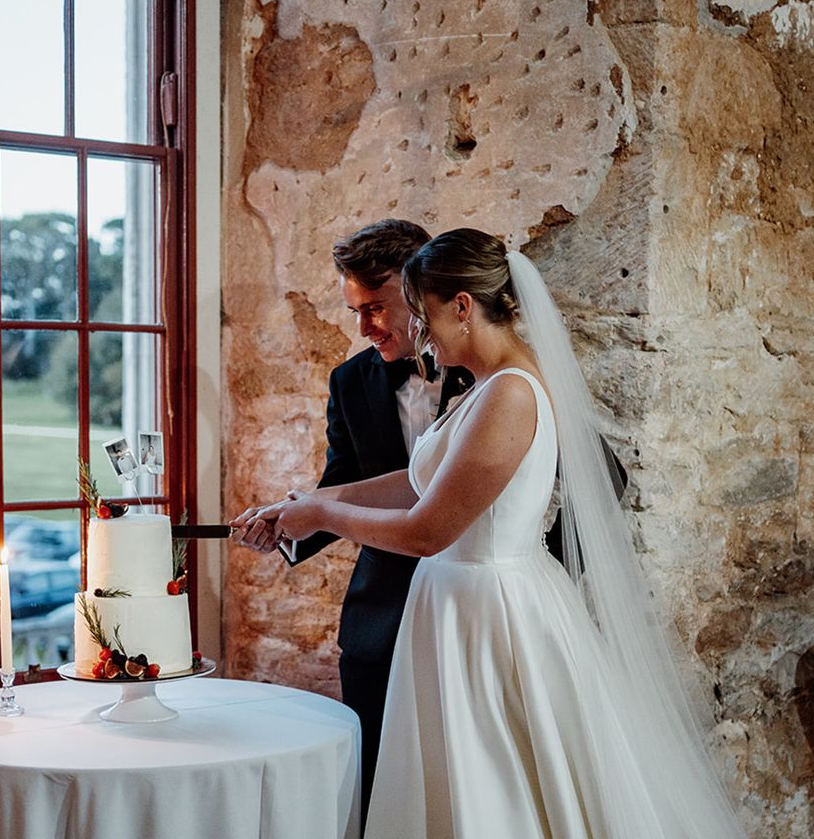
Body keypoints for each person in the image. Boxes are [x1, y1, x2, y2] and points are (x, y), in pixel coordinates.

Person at [242, 229, 746, 838]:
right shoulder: (485, 384)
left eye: (420, 314)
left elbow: (428, 528)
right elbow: (417, 482)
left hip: (488, 615)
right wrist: (306, 502)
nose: (419, 334)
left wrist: (325, 516)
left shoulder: (509, 392)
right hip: (446, 610)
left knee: (498, 789)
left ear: (460, 306)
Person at [232, 219, 474, 821]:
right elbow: (342, 484)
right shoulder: (351, 381)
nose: (364, 329)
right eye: (354, 311)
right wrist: (291, 524)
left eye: (376, 308)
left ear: (422, 289)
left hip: (477, 609)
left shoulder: (490, 372)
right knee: (377, 792)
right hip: (383, 616)